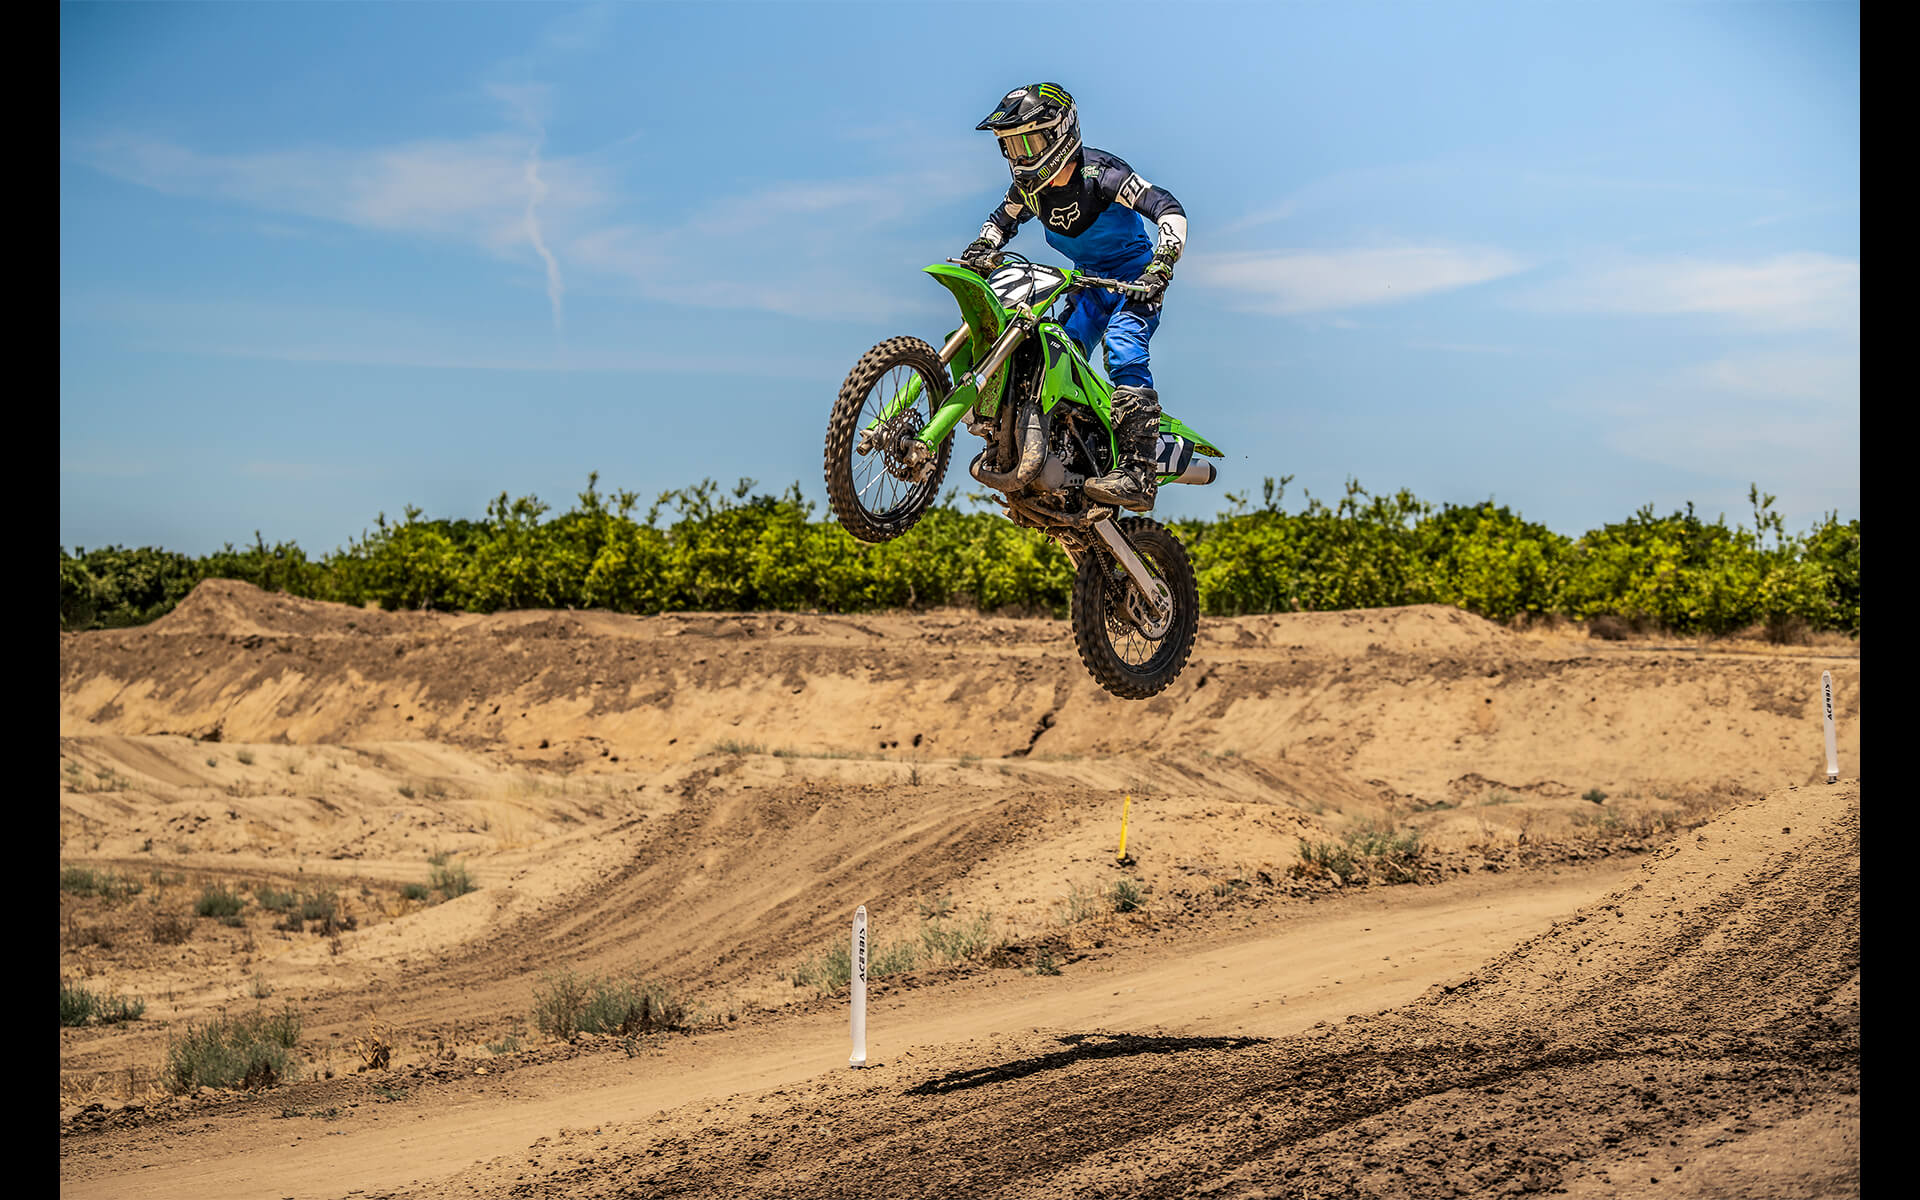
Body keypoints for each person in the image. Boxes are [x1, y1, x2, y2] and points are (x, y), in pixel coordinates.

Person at [958, 82, 1188, 513]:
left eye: (1028, 141)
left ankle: (1138, 471)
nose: (1021, 155)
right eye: (1010, 146)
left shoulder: (1101, 175)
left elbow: (1168, 208)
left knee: (1122, 344)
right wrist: (983, 247)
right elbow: (999, 222)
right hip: (1086, 285)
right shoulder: (1030, 190)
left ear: (1060, 132)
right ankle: (1059, 450)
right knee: (1052, 355)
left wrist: (1163, 263)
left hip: (1134, 279)